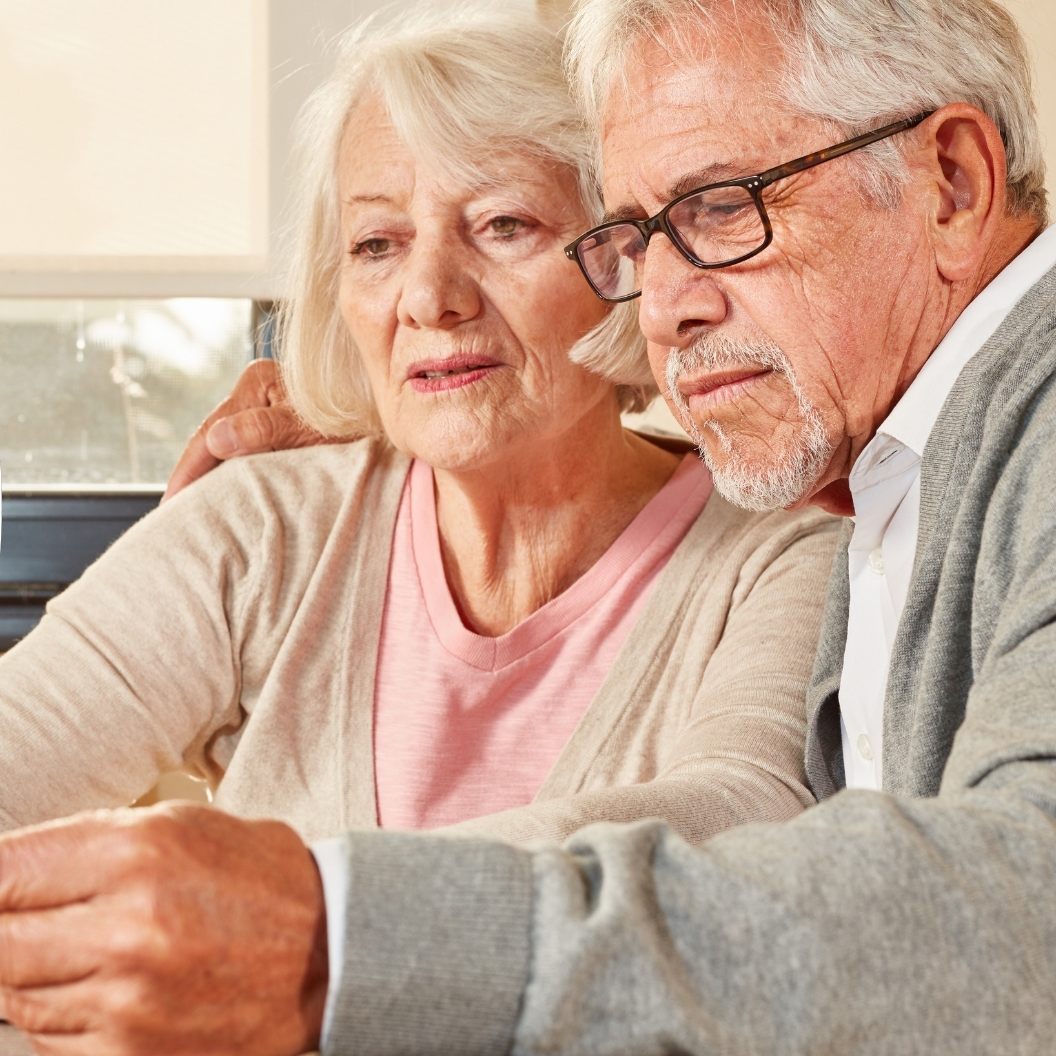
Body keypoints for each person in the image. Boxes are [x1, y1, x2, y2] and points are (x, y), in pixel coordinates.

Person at [4, 0, 1053, 1053]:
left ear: (953, 182)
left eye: (721, 208)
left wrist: (328, 934)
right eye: (375, 244)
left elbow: (972, 897)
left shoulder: (809, 522)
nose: (666, 304)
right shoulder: (884, 478)